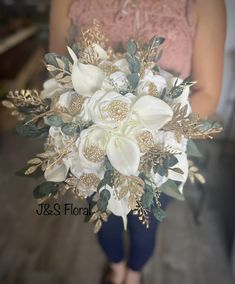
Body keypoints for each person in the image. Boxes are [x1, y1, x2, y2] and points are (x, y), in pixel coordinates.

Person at [49, 1, 226, 283]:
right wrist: (95, 136)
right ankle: (116, 269)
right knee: (104, 225)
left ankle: (133, 275)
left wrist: (139, 135)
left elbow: (207, 95)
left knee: (145, 227)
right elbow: (58, 77)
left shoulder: (205, 4)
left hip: (158, 151)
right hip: (93, 153)